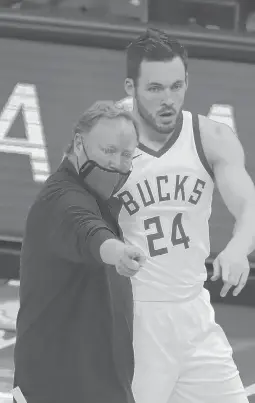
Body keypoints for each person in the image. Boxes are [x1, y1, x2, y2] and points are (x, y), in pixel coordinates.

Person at [114, 28, 255, 403]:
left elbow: (248, 204)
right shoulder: (107, 137)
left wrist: (239, 248)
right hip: (132, 316)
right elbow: (67, 210)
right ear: (131, 87)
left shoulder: (210, 137)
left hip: (194, 312)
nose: (168, 100)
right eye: (155, 88)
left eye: (176, 87)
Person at [13, 101, 146, 403]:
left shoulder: (95, 196)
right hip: (56, 390)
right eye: (108, 151)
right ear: (78, 143)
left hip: (99, 388)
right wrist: (118, 253)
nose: (116, 164)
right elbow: (87, 232)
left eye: (126, 155)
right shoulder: (61, 199)